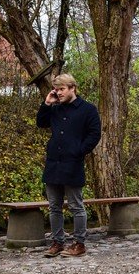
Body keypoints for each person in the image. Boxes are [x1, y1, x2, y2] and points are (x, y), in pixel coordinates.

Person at [37, 74, 101, 257]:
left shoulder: (88, 109)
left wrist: (79, 150)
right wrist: (47, 103)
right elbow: (40, 123)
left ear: (73, 88)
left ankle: (79, 244)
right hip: (53, 163)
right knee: (54, 206)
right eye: (56, 89)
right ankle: (57, 242)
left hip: (73, 163)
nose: (58, 92)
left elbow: (94, 134)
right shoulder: (55, 108)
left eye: (62, 89)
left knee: (76, 205)